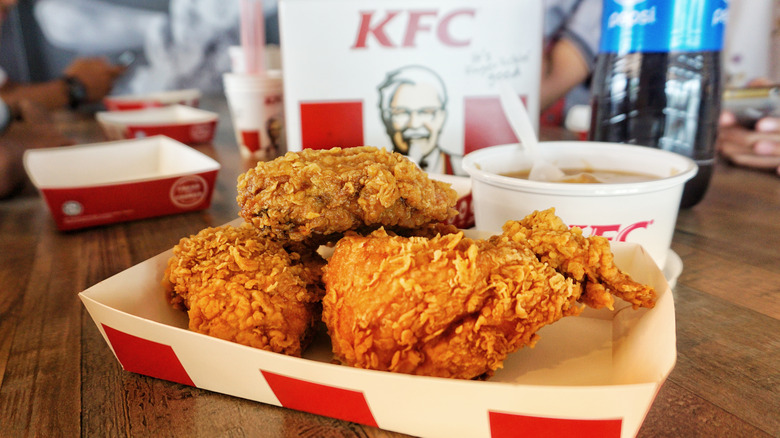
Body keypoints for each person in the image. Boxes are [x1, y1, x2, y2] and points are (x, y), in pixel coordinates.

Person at [377, 65, 453, 175]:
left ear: (442, 117)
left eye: (426, 112)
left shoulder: (467, 171)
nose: (414, 124)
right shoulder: (372, 174)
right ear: (386, 118)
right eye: (401, 112)